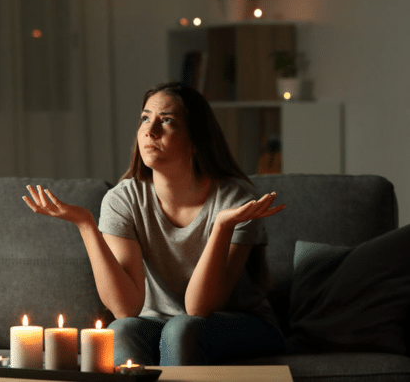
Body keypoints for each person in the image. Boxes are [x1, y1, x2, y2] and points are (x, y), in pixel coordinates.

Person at [23, 82, 287, 366]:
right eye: (145, 118)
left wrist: (222, 227)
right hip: (159, 323)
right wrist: (86, 224)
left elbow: (200, 307)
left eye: (168, 121)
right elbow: (126, 308)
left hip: (240, 324)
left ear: (195, 139)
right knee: (121, 331)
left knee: (182, 329)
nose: (151, 130)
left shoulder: (234, 200)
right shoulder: (123, 199)